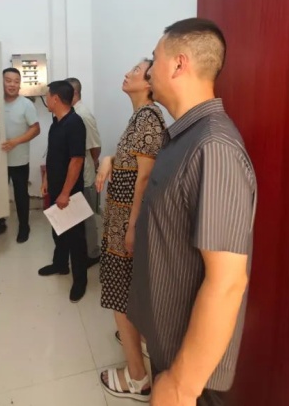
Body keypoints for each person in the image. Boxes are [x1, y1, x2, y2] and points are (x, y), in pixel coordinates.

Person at [128, 18, 257, 406]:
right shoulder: (184, 137)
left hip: (189, 372)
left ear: (178, 64)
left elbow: (227, 282)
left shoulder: (213, 147)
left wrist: (181, 385)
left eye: (154, 59)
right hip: (169, 343)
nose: (149, 70)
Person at [96, 60, 165, 402]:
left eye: (136, 70)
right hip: (121, 219)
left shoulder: (148, 118)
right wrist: (108, 159)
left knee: (119, 293)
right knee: (126, 289)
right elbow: (132, 163)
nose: (127, 73)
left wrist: (132, 227)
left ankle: (137, 378)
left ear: (149, 83)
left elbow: (145, 177)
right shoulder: (139, 118)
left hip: (127, 222)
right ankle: (139, 346)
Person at [38, 80, 89, 303]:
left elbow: (76, 160)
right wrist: (46, 180)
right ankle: (60, 264)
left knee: (76, 238)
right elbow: (53, 154)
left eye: (47, 96)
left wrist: (66, 193)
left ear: (56, 99)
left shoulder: (75, 123)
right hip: (56, 188)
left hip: (69, 193)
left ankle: (80, 281)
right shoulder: (56, 122)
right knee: (58, 230)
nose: (46, 100)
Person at [0, 67, 40, 243]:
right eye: (8, 81)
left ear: (20, 84)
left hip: (19, 160)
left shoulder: (26, 104)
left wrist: (15, 141)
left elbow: (36, 129)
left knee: (20, 193)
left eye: (16, 81)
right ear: (1, 82)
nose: (12, 85)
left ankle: (24, 226)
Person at [65, 77, 102, 267]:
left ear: (74, 93)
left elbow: (95, 147)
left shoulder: (83, 115)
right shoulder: (72, 113)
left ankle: (93, 253)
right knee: (78, 213)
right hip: (76, 172)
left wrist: (93, 164)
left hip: (85, 172)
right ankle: (82, 249)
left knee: (87, 215)